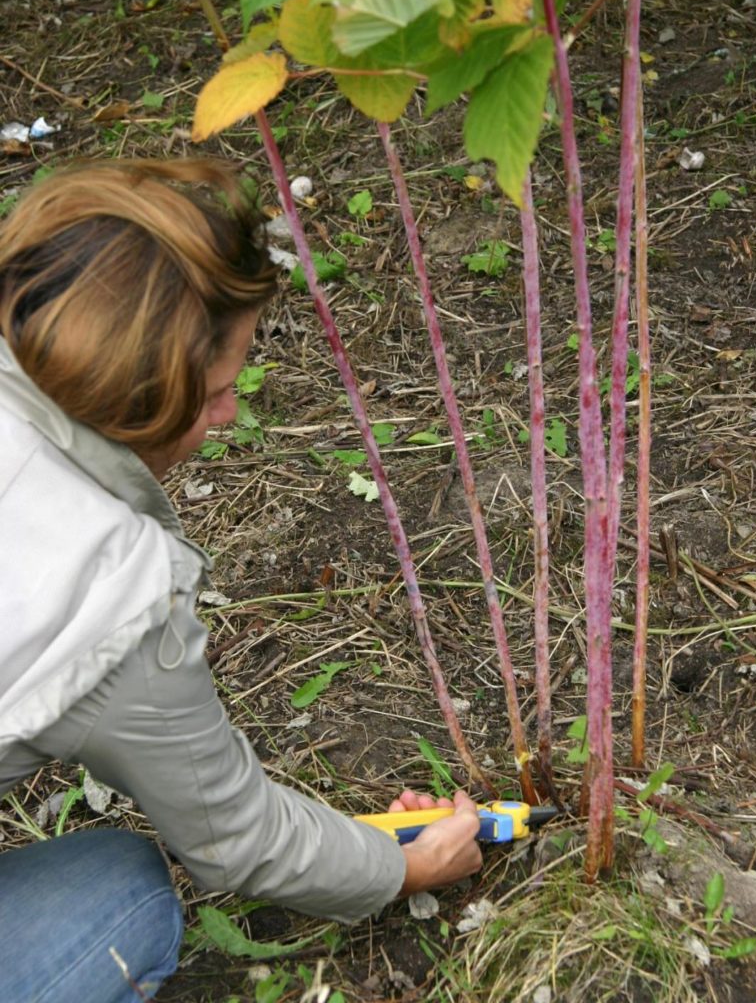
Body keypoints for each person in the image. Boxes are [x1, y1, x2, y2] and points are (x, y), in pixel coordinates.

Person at [0, 159, 483, 1003]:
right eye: (219, 390)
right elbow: (235, 836)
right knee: (123, 894)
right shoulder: (111, 597)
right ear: (145, 399)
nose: (230, 416)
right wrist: (400, 867)